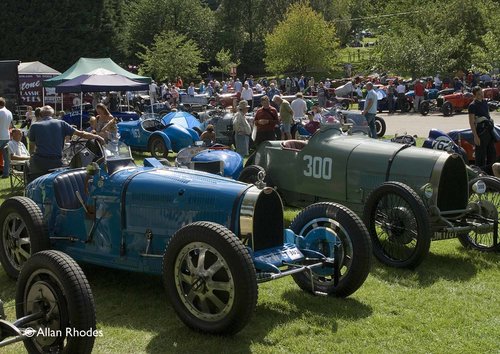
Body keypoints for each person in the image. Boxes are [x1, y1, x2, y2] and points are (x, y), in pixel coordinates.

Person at [28, 105, 104, 182]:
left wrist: (31, 155)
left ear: (40, 115)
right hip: (56, 161)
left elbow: (31, 147)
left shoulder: (34, 126)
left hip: (40, 162)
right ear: (53, 114)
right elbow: (82, 134)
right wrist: (97, 136)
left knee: (32, 168)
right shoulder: (61, 123)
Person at [468, 86, 496, 170]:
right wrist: (475, 136)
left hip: (489, 131)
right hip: (480, 132)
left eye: (481, 93)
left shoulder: (485, 102)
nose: (481, 95)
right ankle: (480, 174)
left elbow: (487, 114)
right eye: (479, 94)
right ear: (475, 95)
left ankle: (490, 173)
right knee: (480, 156)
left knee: (492, 154)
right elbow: (471, 122)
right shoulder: (472, 105)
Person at [0, 97, 14, 178]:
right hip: (6, 136)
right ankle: (6, 174)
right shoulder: (9, 112)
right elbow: (10, 125)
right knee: (6, 158)